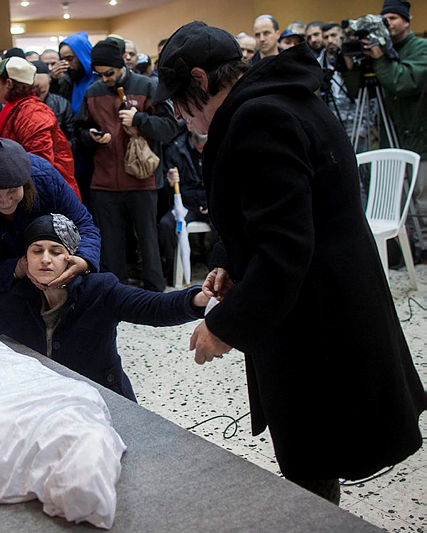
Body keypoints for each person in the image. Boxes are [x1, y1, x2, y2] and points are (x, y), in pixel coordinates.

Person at [157, 21, 425, 503]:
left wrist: (225, 327)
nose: (180, 116)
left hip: (315, 319)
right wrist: (228, 260)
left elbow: (285, 249)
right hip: (324, 301)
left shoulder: (259, 117)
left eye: (179, 101)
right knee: (315, 456)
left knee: (311, 459)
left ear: (200, 79)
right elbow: (263, 210)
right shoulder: (283, 96)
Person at [0, 214, 208, 401]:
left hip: (106, 399)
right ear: (25, 259)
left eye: (55, 251)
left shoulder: (100, 290)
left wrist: (198, 300)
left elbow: (153, 306)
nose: (45, 259)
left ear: (71, 257)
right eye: (36, 250)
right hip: (48, 402)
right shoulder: (17, 298)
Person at [0, 136, 100, 309]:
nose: (6, 202)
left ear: (25, 183)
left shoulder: (44, 178)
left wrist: (83, 260)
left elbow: (84, 225)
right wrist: (18, 268)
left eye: (13, 191)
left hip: (56, 284)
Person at [76, 39, 178, 292]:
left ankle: (154, 291)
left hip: (143, 179)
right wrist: (92, 136)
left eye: (109, 73)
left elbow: (170, 128)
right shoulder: (93, 92)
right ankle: (116, 292)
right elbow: (78, 131)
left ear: (121, 65)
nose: (105, 79)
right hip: (105, 181)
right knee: (110, 243)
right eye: (99, 74)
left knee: (148, 240)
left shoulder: (148, 86)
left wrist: (139, 119)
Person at [345, 0, 427, 258]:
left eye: (393, 18)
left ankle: (424, 249)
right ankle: (402, 251)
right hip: (390, 134)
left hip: (419, 136)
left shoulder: (421, 48)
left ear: (407, 20)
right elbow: (356, 92)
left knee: (421, 199)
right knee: (396, 199)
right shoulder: (377, 51)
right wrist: (351, 65)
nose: (388, 23)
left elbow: (403, 83)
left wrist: (380, 59)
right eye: (384, 19)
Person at [0, 56, 80, 200]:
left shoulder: (32, 114)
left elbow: (39, 166)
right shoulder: (18, 109)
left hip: (47, 197)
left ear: (9, 83)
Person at [158, 121, 210, 284]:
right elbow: (165, 192)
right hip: (186, 205)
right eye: (198, 146)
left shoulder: (218, 146)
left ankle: (218, 271)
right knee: (166, 225)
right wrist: (170, 181)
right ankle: (174, 273)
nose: (201, 149)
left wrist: (211, 202)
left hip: (212, 203)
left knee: (228, 224)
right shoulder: (175, 149)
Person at [50, 32, 96, 116]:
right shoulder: (67, 82)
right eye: (63, 59)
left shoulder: (102, 80)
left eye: (70, 58)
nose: (66, 64)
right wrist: (53, 81)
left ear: (83, 56)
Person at [33, 61, 75, 146]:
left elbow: (74, 137)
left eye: (43, 91)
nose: (39, 97)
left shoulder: (62, 104)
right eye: (34, 91)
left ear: (49, 84)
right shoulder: (19, 105)